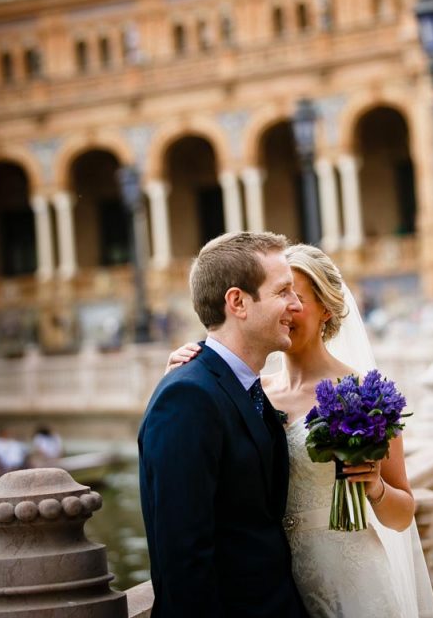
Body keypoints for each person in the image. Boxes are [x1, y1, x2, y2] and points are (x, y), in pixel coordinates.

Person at [167, 242, 433, 618]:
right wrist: (188, 370)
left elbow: (402, 514)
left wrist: (374, 487)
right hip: (272, 581)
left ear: (326, 308)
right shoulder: (250, 392)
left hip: (348, 577)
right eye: (282, 294)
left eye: (298, 296)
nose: (289, 307)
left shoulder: (364, 394)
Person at [138, 230, 309, 618]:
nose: (296, 305)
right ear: (238, 302)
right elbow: (184, 561)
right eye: (283, 291)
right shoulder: (186, 399)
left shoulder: (245, 386)